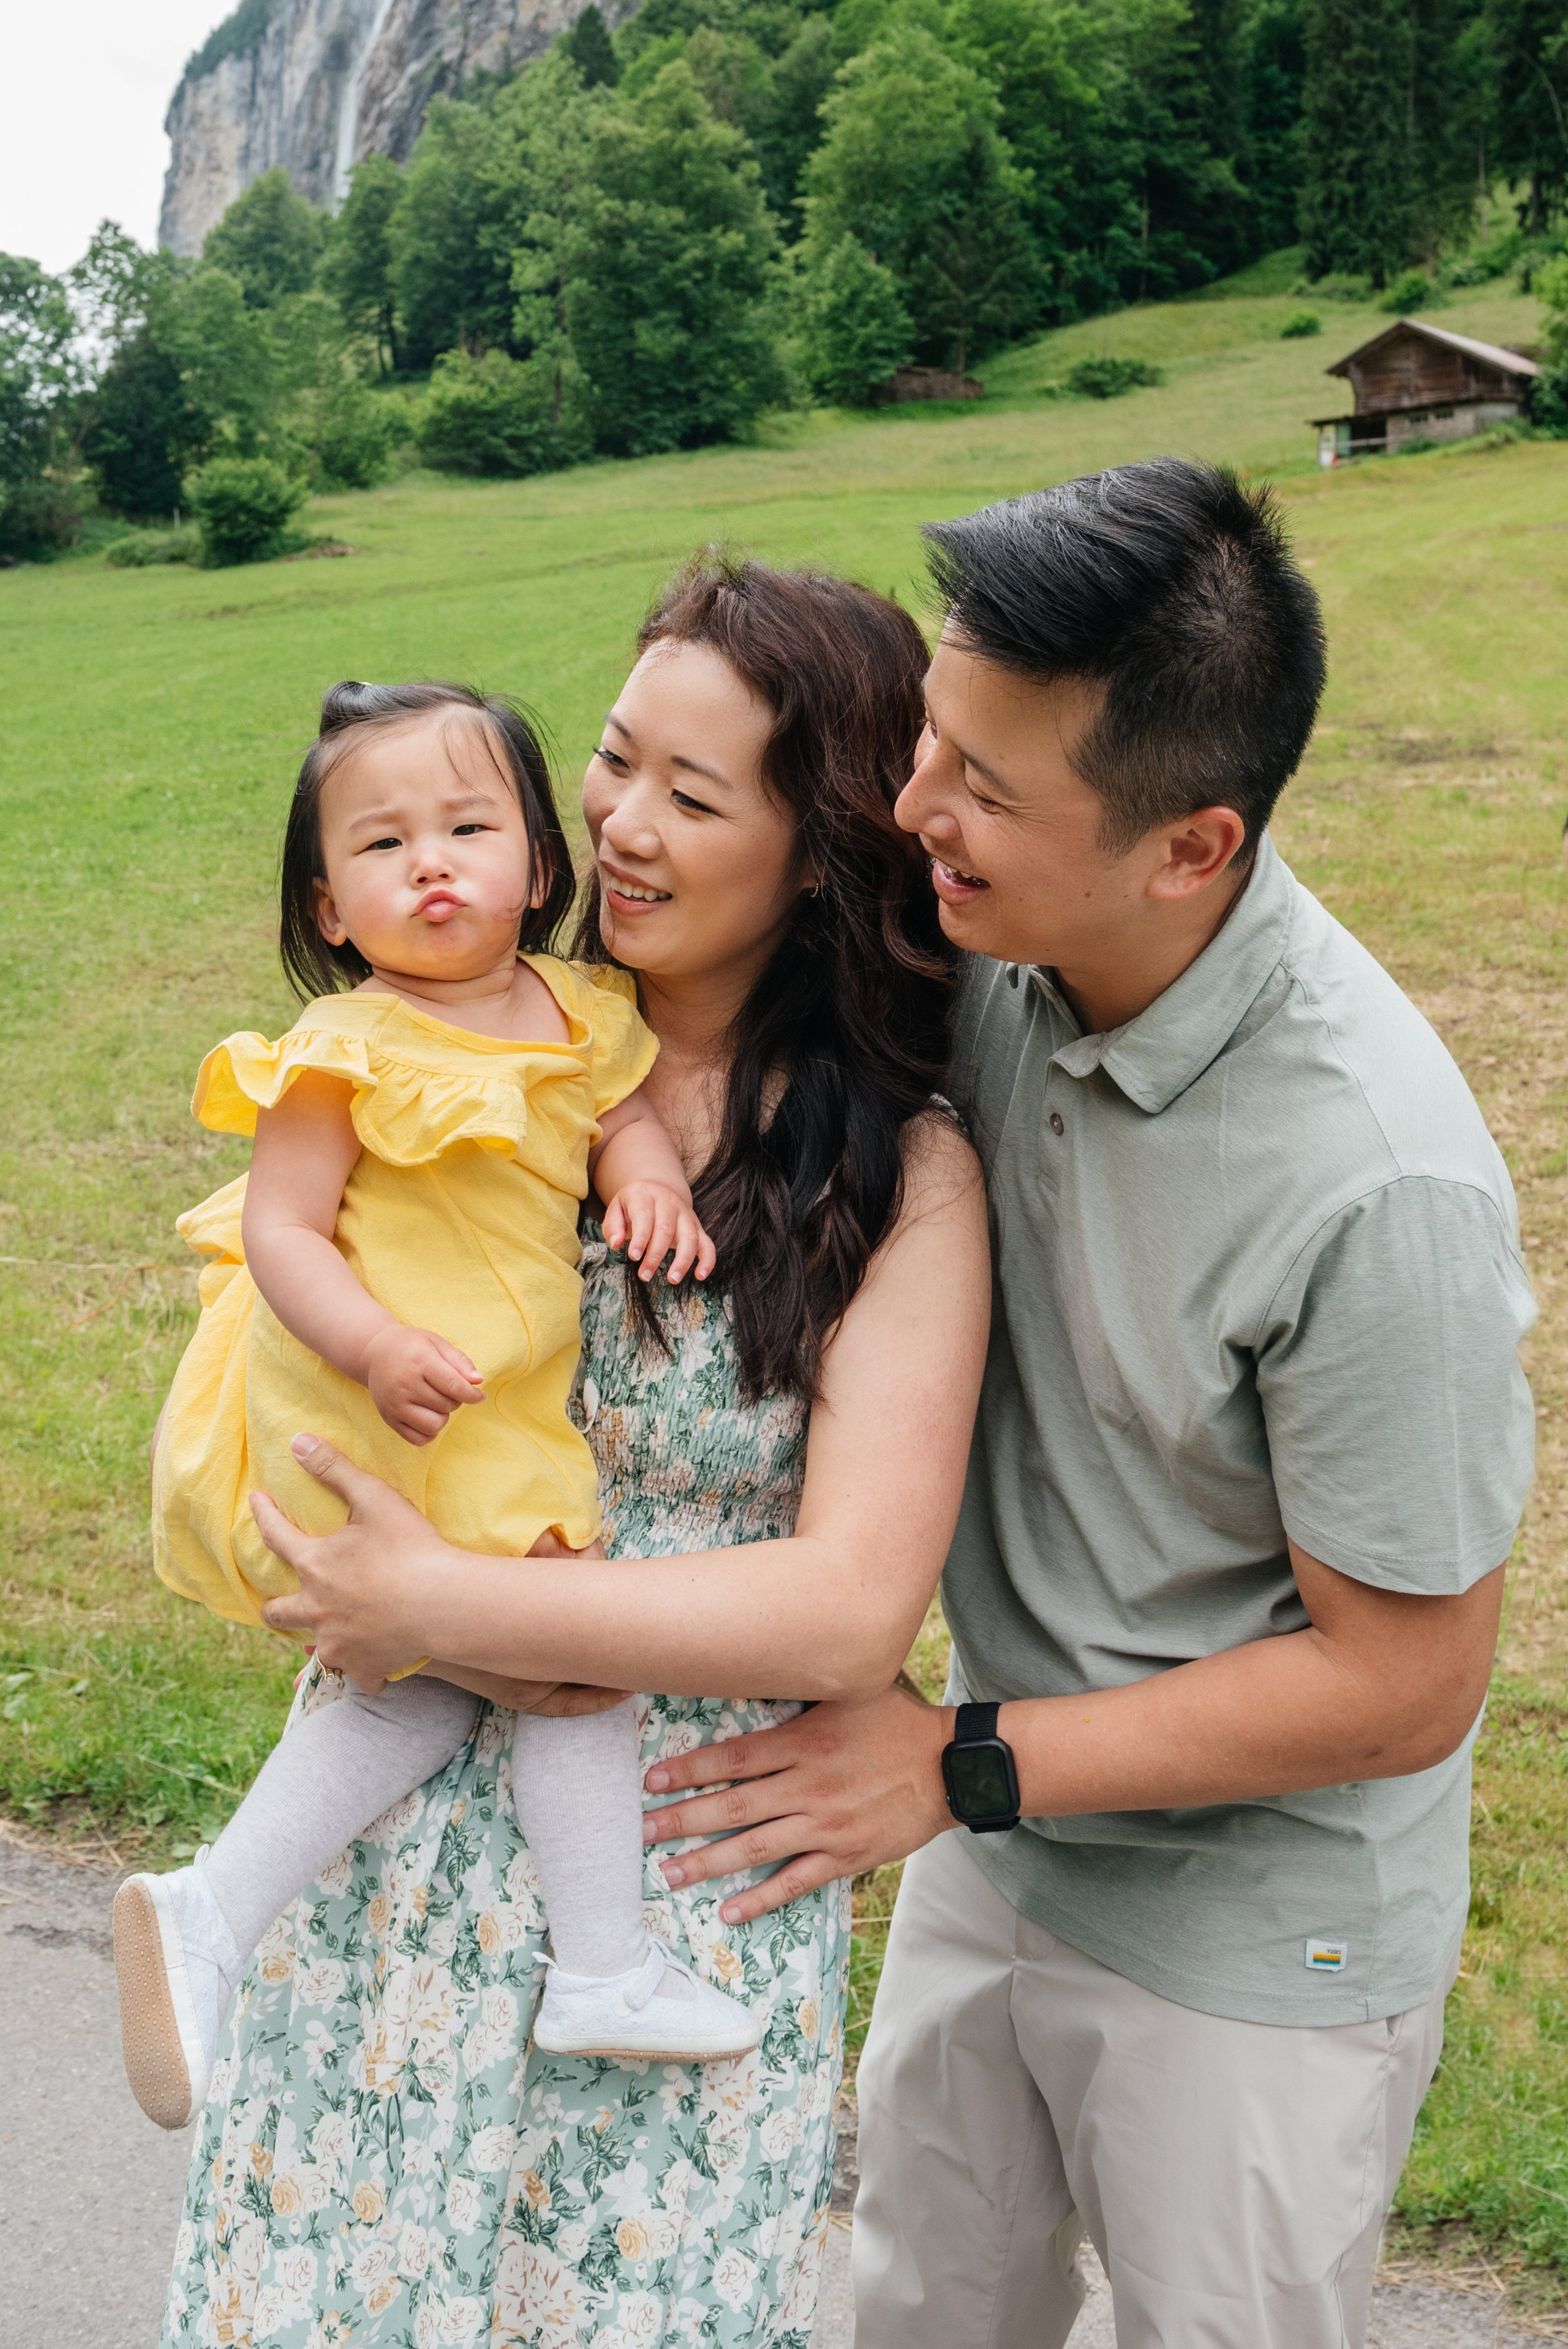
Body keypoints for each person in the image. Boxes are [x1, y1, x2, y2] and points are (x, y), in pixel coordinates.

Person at [620, 463, 1538, 2348]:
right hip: (989, 1842)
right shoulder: (982, 952)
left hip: (1251, 1944)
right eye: (933, 737)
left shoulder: (1380, 1179)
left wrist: (961, 1762)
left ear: (1189, 847)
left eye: (980, 787)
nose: (910, 809)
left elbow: (1407, 1681)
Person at [160, 558, 990, 2349]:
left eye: (693, 797)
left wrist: (442, 1601)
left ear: (820, 848)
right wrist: (386, 1573)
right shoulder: (431, 1061)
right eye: (615, 763)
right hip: (388, 1875)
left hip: (676, 1892)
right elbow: (284, 1406)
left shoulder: (896, 1173)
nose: (619, 824)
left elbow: (849, 1606)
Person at [121, 680, 758, 2142]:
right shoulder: (344, 1050)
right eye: (382, 842)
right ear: (329, 904)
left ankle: (213, 1911)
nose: (431, 864)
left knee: (422, 1679)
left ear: (540, 867)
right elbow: (281, 1234)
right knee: (574, 1653)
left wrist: (645, 1181)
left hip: (502, 1406)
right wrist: (374, 1342)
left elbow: (622, 1116)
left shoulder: (581, 1013)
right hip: (402, 1408)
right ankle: (602, 1965)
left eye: (469, 827)